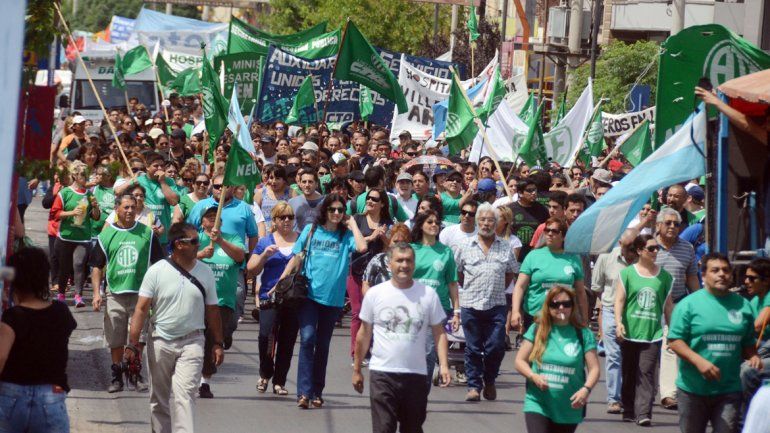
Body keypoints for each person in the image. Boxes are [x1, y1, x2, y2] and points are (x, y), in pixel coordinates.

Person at [127, 223, 224, 433]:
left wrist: (217, 342)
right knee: (158, 398)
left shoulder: (205, 272)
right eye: (195, 242)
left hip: (193, 341)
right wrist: (133, 344)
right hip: (160, 341)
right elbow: (141, 309)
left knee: (185, 396)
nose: (200, 245)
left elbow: (213, 310)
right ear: (179, 244)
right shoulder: (156, 271)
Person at [278, 193, 366, 409]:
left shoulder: (345, 236)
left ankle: (317, 391)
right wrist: (281, 280)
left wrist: (353, 222)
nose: (336, 213)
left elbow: (362, 247)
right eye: (332, 209)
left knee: (323, 345)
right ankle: (303, 393)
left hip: (333, 299)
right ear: (324, 210)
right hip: (308, 295)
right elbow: (297, 256)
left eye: (340, 210)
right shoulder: (311, 230)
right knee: (307, 339)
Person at [352, 243, 451, 433]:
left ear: (414, 264)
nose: (404, 265)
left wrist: (444, 365)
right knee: (384, 428)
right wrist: (357, 369)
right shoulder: (375, 294)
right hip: (382, 373)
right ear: (389, 264)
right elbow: (363, 335)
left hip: (416, 374)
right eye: (399, 260)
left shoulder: (428, 295)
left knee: (412, 428)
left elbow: (439, 333)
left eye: (408, 261)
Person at [668, 253, 763, 433]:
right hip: (692, 389)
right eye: (715, 270)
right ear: (703, 276)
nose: (722, 274)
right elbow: (675, 341)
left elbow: (747, 343)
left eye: (726, 270)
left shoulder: (743, 306)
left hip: (729, 390)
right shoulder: (688, 305)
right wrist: (699, 361)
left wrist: (753, 356)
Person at [90, 194, 165, 393]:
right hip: (115, 294)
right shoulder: (106, 236)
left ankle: (135, 372)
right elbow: (97, 266)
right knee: (116, 337)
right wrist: (97, 293)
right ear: (117, 209)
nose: (130, 211)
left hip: (141, 295)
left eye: (133, 207)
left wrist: (159, 292)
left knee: (138, 338)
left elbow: (160, 264)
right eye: (126, 207)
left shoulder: (147, 234)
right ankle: (117, 376)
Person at [0, 247, 77, 433]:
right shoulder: (61, 312)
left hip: (12, 397)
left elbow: (1, 357)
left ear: (14, 282)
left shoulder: (12, 317)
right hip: (51, 396)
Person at [514, 286, 600, 433]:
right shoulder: (537, 329)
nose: (561, 308)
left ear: (573, 306)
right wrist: (533, 376)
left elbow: (595, 369)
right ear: (548, 306)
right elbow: (519, 361)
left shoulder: (583, 334)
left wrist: (586, 390)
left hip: (569, 406)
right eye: (555, 304)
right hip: (538, 402)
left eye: (566, 304)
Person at [454, 203, 518, 401]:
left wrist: (495, 285)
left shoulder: (505, 247)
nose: (486, 224)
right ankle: (474, 386)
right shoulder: (465, 246)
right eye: (482, 220)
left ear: (497, 223)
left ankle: (489, 380)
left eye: (491, 220)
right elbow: (459, 274)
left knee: (496, 347)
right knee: (472, 348)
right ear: (477, 221)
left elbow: (511, 273)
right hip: (471, 304)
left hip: (497, 305)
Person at [614, 234, 674, 426]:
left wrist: (673, 333)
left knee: (647, 372)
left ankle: (644, 413)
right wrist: (618, 323)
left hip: (652, 334)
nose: (656, 252)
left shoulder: (665, 277)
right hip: (630, 332)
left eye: (657, 248)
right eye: (651, 248)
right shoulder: (627, 274)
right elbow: (620, 301)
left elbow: (668, 306)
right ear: (640, 251)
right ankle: (629, 409)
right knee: (630, 372)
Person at [248, 202, 300, 396]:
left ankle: (279, 381)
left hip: (293, 298)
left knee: (287, 340)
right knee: (265, 336)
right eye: (282, 217)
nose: (287, 221)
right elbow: (251, 270)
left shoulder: (301, 239)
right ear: (275, 220)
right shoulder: (265, 241)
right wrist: (264, 256)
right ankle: (264, 373)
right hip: (269, 296)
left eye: (290, 217)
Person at [196, 206, 247, 398]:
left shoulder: (232, 238)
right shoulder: (197, 239)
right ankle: (191, 376)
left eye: (216, 218)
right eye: (209, 218)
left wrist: (221, 241)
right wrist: (199, 255)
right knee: (196, 339)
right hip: (198, 300)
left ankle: (205, 381)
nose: (212, 221)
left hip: (223, 300)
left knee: (213, 340)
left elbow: (240, 256)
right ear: (202, 223)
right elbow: (178, 259)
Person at [410, 210, 460, 385]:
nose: (434, 225)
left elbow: (452, 283)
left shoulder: (445, 252)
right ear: (421, 225)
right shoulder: (411, 249)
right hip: (413, 307)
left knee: (429, 351)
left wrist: (456, 312)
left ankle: (421, 394)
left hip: (438, 308)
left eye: (436, 222)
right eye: (429, 222)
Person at [511, 218, 588, 332]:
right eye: (547, 230)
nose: (550, 234)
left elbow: (580, 292)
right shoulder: (533, 256)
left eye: (555, 231)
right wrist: (515, 311)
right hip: (536, 316)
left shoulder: (573, 258)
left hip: (564, 318)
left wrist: (584, 319)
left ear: (563, 236)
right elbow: (520, 286)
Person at [590, 236, 638, 414]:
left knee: (632, 356)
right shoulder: (606, 257)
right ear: (620, 244)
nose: (631, 253)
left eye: (635, 248)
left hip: (635, 313)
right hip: (610, 310)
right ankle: (613, 399)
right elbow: (597, 287)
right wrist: (605, 310)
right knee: (614, 355)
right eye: (628, 248)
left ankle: (632, 396)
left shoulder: (643, 260)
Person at [348, 188, 392, 359]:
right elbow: (352, 242)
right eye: (368, 198)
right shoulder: (358, 220)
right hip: (357, 271)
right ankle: (356, 353)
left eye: (375, 199)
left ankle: (373, 349)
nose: (370, 201)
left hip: (378, 275)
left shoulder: (387, 222)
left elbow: (392, 247)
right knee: (358, 312)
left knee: (376, 313)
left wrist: (383, 237)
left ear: (382, 203)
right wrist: (371, 237)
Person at [51, 161, 101, 306]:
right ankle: (61, 293)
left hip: (83, 237)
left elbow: (96, 217)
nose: (85, 177)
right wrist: (72, 212)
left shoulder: (90, 194)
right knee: (65, 266)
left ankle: (78, 296)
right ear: (74, 175)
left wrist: (96, 207)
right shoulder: (65, 193)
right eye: (82, 174)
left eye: (86, 174)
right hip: (66, 236)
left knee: (79, 264)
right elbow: (55, 214)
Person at [740, 258, 770, 417]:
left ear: (766, 281)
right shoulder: (754, 301)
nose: (746, 282)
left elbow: (757, 326)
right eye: (746, 277)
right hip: (760, 348)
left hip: (766, 348)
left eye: (752, 278)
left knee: (747, 370)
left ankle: (744, 421)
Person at [361, 223, 412, 294]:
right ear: (389, 241)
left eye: (403, 242)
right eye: (395, 241)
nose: (398, 245)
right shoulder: (378, 259)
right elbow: (366, 283)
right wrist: (371, 301)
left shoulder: (412, 263)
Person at [506, 178, 549, 259]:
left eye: (535, 190)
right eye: (529, 190)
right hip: (513, 256)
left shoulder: (542, 210)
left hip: (535, 256)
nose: (534, 193)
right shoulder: (510, 209)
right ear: (520, 193)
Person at [256, 165, 294, 231]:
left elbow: (295, 214)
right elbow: (254, 214)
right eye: (271, 177)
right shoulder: (261, 192)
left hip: (284, 232)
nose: (273, 181)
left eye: (277, 178)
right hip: (264, 233)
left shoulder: (291, 192)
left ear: (284, 180)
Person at [289, 167, 325, 232]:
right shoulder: (292, 202)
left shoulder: (325, 202)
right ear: (299, 184)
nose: (307, 185)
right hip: (297, 240)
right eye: (304, 182)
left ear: (316, 184)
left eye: (310, 182)